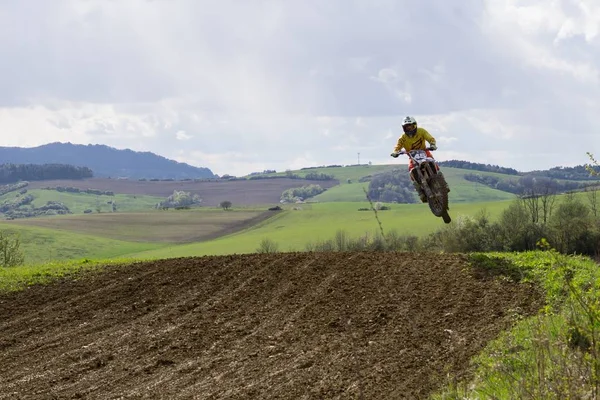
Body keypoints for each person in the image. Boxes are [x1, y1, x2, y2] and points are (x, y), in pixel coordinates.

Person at [390, 116, 445, 203]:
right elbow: (397, 146)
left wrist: (432, 144)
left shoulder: (421, 131)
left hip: (424, 152)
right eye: (406, 127)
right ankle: (420, 192)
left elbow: (429, 137)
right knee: (412, 170)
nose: (409, 128)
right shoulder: (403, 138)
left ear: (415, 125)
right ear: (403, 128)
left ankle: (443, 183)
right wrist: (395, 152)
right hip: (412, 156)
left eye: (410, 126)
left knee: (432, 162)